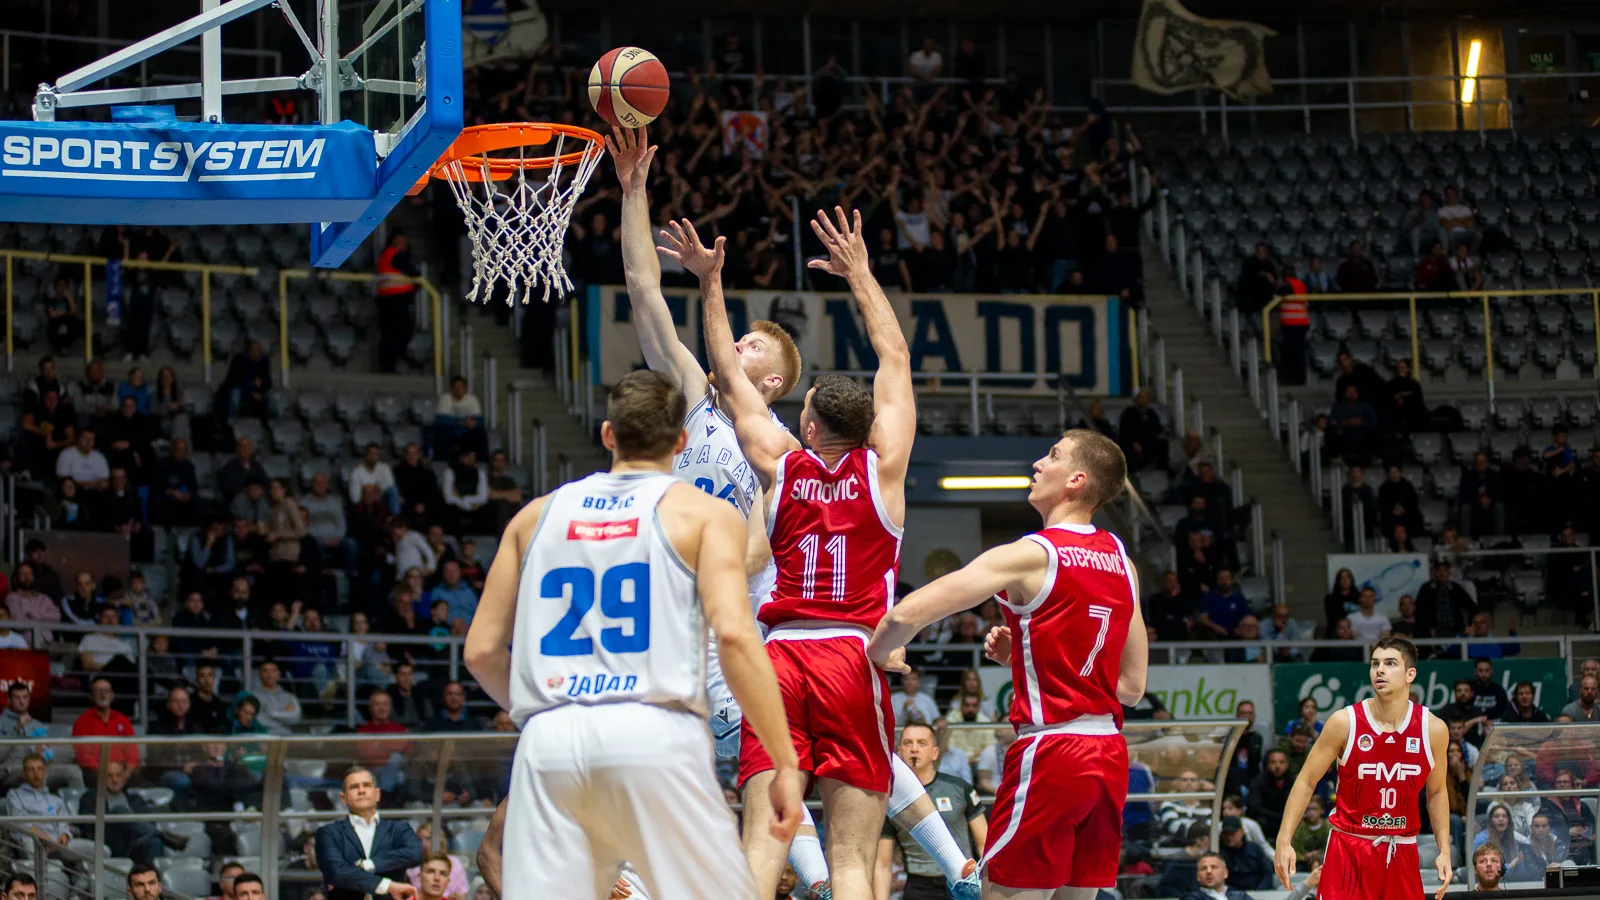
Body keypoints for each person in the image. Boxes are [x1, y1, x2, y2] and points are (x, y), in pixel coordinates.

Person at [462, 369, 803, 900]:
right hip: (653, 730)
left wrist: (547, 709)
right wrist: (783, 760)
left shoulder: (533, 517)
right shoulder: (705, 515)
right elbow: (736, 638)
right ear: (681, 440)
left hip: (552, 737)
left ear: (607, 434)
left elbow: (481, 652)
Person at [868, 429, 1148, 899]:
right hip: (1108, 755)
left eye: (1053, 456)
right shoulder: (1122, 560)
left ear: (1076, 480)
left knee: (1000, 892)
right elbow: (1132, 687)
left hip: (1052, 751)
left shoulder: (1030, 554)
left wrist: (877, 655)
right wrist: (1025, 655)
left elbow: (905, 615)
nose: (1038, 463)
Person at [1272, 637, 1452, 899]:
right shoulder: (1344, 722)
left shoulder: (1433, 729)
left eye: (1390, 663)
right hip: (1348, 848)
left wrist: (1444, 850)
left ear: (1410, 674)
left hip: (1402, 849)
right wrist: (1284, 839)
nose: (1380, 670)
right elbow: (1306, 780)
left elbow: (1437, 791)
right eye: (1375, 664)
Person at [873, 722, 988, 900]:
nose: (914, 749)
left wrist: (988, 889)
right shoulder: (890, 800)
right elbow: (882, 863)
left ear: (935, 753)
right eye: (908, 743)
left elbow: (984, 843)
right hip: (919, 886)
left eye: (921, 743)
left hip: (963, 883)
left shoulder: (958, 787)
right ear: (899, 752)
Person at [314, 767, 423, 900]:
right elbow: (337, 871)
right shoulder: (328, 833)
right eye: (354, 787)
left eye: (366, 785)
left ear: (377, 794)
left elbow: (415, 853)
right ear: (343, 798)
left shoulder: (398, 829)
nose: (361, 790)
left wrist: (367, 865)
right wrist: (388, 886)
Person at [72, 676, 138, 776]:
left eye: (106, 691)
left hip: (122, 772)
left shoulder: (123, 720)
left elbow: (132, 752)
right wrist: (105, 774)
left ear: (112, 695)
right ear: (91, 697)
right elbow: (83, 756)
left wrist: (125, 775)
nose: (103, 695)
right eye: (98, 691)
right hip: (94, 773)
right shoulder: (82, 722)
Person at [374, 232, 418, 374]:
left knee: (395, 334)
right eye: (398, 242)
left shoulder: (389, 256)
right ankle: (389, 365)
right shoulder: (392, 254)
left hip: (394, 300)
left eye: (404, 243)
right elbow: (413, 272)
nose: (401, 246)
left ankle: (390, 365)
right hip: (392, 300)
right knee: (396, 334)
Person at [1181, 853, 1255, 900]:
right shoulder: (1191, 898)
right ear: (1198, 876)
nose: (1209, 871)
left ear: (1225, 873)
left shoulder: (1241, 897)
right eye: (1204, 868)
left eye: (1214, 867)